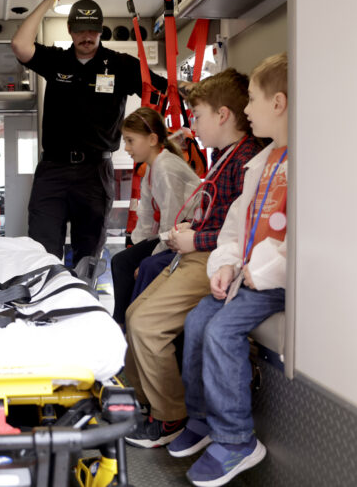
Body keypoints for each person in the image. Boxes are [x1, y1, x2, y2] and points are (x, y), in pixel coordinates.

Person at [123, 68, 263, 448]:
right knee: (135, 315)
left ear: (223, 115)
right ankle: (147, 403)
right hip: (199, 250)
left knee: (148, 325)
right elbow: (218, 214)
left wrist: (195, 238)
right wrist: (189, 228)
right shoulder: (223, 156)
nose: (192, 126)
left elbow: (242, 232)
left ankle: (170, 416)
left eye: (197, 116)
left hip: (212, 258)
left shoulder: (246, 161)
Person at [167, 53, 288, 486]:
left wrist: (264, 271)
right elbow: (237, 225)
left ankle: (236, 438)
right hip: (247, 274)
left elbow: (305, 241)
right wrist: (225, 264)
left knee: (221, 331)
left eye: (252, 101)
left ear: (278, 103)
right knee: (199, 320)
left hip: (274, 281)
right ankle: (201, 418)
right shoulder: (265, 163)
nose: (247, 110)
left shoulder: (302, 165)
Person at [11, 0, 168, 267]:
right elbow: (21, 45)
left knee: (88, 256)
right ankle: (45, 307)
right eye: (81, 30)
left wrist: (192, 92)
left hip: (95, 173)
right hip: (53, 171)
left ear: (100, 31)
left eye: (92, 31)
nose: (86, 37)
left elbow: (162, 89)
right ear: (71, 30)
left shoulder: (121, 66)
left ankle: (81, 303)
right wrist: (47, 2)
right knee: (40, 251)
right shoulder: (57, 61)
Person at [110, 107, 199, 327]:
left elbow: (172, 219)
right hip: (172, 232)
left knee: (142, 266)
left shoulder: (166, 167)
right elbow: (148, 218)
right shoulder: (152, 168)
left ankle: (128, 323)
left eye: (130, 141)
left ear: (152, 139)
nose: (126, 148)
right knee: (121, 261)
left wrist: (148, 257)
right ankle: (122, 323)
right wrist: (138, 247)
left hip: (188, 232)